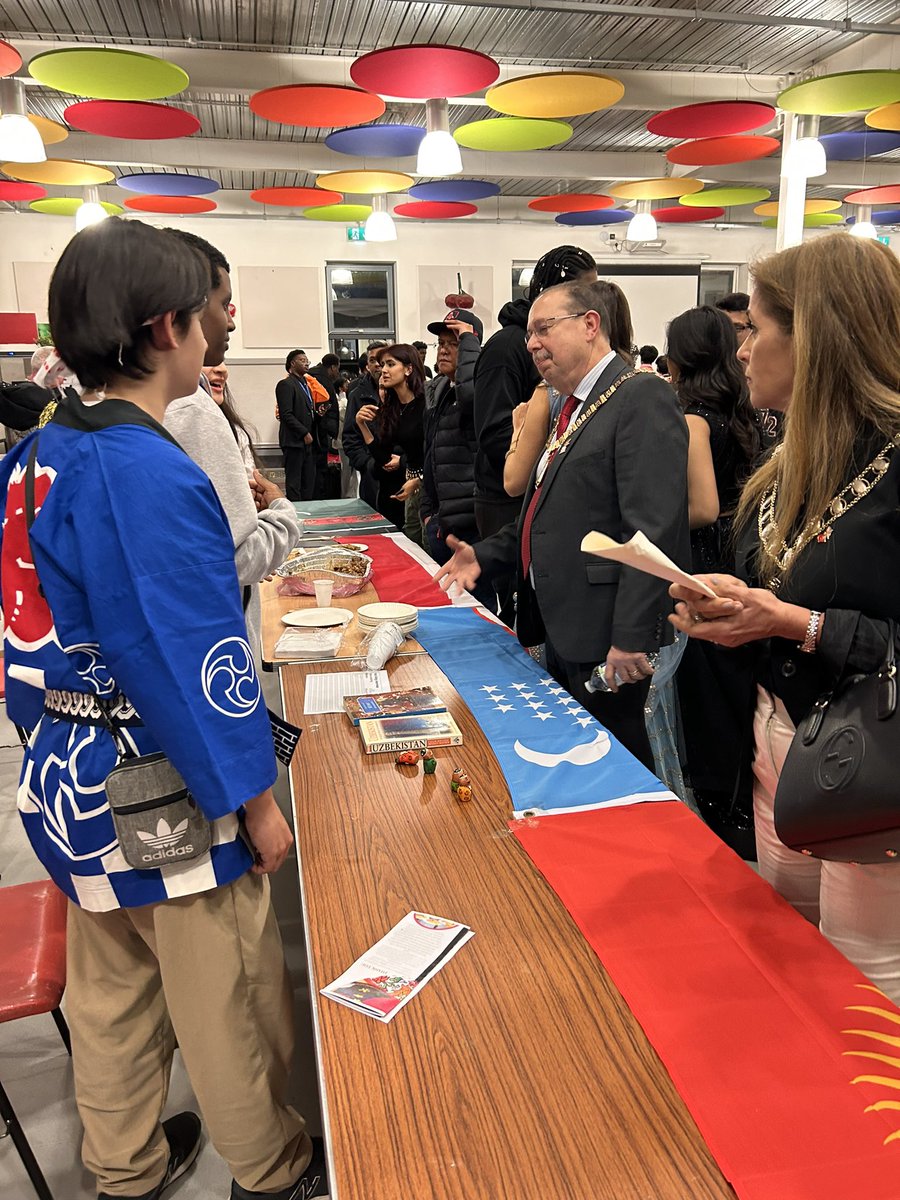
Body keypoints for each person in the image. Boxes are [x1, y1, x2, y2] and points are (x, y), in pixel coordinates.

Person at [0, 219, 326, 1200]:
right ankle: (271, 1173)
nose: (218, 330)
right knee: (223, 996)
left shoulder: (36, 454)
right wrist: (254, 796)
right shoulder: (149, 471)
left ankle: (125, 1172)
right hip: (164, 793)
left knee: (112, 999)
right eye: (207, 313)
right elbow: (188, 661)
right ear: (165, 328)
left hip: (67, 780)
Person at [670, 233, 900, 1001]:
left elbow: (818, 619)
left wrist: (799, 624)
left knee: (861, 1001)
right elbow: (774, 599)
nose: (741, 351)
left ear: (819, 338)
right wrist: (728, 608)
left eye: (755, 329)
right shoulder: (785, 464)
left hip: (873, 776)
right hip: (780, 761)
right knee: (789, 976)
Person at [436, 278, 690, 769]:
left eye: (543, 329)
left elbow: (651, 530)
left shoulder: (639, 397)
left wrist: (630, 637)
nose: (531, 343)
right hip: (563, 624)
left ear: (590, 325)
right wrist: (484, 554)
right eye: (530, 333)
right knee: (575, 763)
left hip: (606, 634)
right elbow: (551, 515)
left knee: (616, 770)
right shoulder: (570, 405)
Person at [164, 232, 300, 657]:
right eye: (224, 305)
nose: (231, 321)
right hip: (205, 644)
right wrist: (281, 510)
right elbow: (234, 556)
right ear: (183, 312)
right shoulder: (187, 408)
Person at [665, 305, 761, 854]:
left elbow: (700, 506)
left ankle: (723, 811)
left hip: (706, 560)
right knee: (731, 688)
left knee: (706, 690)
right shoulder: (740, 411)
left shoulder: (695, 419)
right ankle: (738, 804)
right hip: (737, 552)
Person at [473, 245, 598, 623]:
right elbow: (493, 431)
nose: (536, 345)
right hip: (508, 500)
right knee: (521, 610)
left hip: (540, 494)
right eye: (586, 290)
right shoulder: (507, 347)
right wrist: (543, 447)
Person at [420, 311, 489, 592]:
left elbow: (471, 395)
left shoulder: (478, 391)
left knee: (477, 608)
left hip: (471, 525)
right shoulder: (443, 392)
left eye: (455, 343)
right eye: (441, 343)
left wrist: (470, 343)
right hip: (445, 521)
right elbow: (432, 455)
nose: (444, 349)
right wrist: (428, 511)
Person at [355, 343, 425, 529]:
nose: (383, 370)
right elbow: (383, 457)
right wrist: (362, 425)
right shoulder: (394, 409)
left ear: (409, 369)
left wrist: (419, 481)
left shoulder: (426, 403)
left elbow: (435, 452)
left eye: (390, 364)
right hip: (406, 486)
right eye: (382, 364)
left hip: (429, 488)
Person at [343, 341, 387, 507]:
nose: (377, 365)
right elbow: (350, 437)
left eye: (382, 360)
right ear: (367, 365)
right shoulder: (358, 395)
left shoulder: (402, 392)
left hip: (399, 471)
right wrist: (367, 464)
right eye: (372, 361)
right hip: (371, 476)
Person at [276, 349, 316, 501]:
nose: (306, 363)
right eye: (302, 360)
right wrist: (304, 432)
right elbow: (286, 414)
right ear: (292, 363)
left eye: (307, 360)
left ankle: (307, 509)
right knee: (294, 481)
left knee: (308, 480)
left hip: (307, 441)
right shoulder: (285, 384)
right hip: (294, 441)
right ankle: (296, 513)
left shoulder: (305, 384)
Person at [307, 353, 342, 498]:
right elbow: (328, 409)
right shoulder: (324, 381)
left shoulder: (310, 377)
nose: (338, 373)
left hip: (310, 430)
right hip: (321, 431)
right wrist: (331, 431)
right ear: (333, 367)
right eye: (337, 369)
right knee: (320, 467)